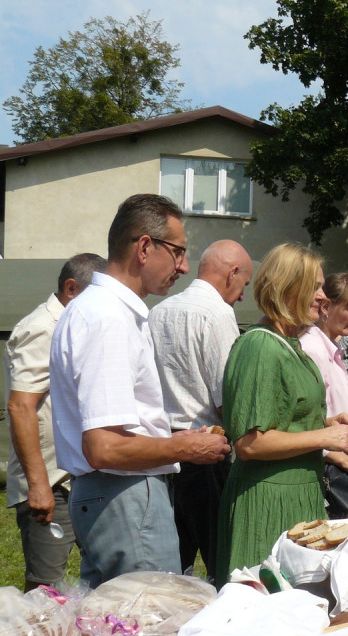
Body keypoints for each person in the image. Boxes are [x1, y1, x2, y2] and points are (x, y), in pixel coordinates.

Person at [49, 194, 232, 588]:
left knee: (116, 629)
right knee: (146, 630)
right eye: (178, 252)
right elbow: (105, 447)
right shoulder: (109, 319)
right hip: (124, 497)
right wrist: (183, 448)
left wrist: (172, 439)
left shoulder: (98, 311)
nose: (184, 266)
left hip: (114, 497)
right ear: (145, 247)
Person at [215, 244, 348, 585]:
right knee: (264, 611)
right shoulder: (259, 347)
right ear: (288, 288)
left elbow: (283, 419)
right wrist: (323, 437)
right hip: (267, 500)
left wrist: (325, 423)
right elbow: (250, 443)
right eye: (316, 287)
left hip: (296, 494)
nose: (323, 296)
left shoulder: (289, 346)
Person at [149, 240, 253, 578]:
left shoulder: (158, 311)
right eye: (244, 286)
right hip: (206, 450)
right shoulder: (218, 314)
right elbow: (228, 399)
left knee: (173, 560)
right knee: (221, 558)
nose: (241, 296)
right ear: (232, 273)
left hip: (162, 448)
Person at [5, 253, 106, 591]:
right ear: (71, 289)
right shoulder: (42, 328)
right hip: (51, 484)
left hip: (76, 477)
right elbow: (21, 407)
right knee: (44, 592)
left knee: (104, 578)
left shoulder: (71, 324)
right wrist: (38, 486)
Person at [299, 272, 348, 517]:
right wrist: (340, 459)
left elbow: (330, 412)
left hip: (341, 465)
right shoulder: (312, 349)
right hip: (326, 473)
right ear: (326, 306)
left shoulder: (330, 348)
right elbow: (301, 424)